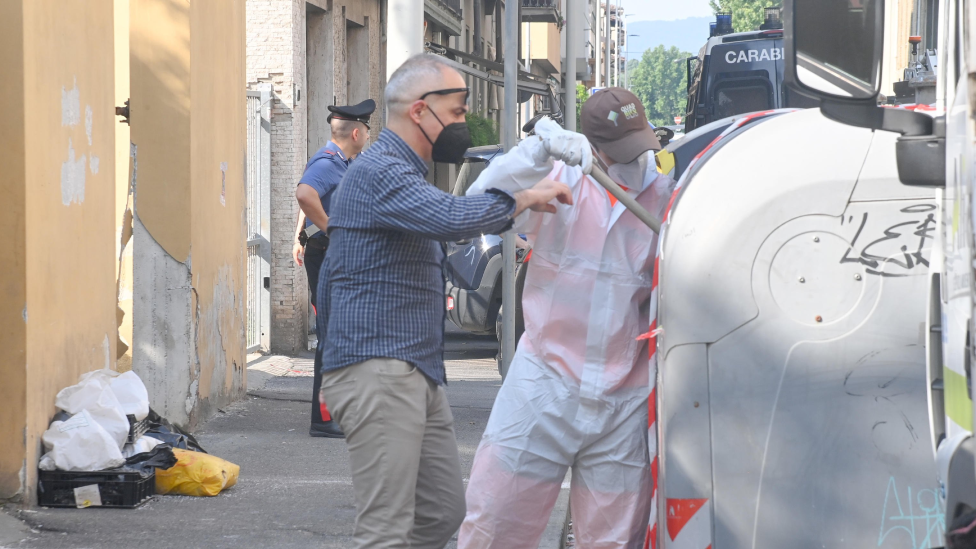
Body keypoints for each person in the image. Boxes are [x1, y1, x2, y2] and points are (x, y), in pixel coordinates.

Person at [316, 54, 586, 549]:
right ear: (421, 111)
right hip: (377, 366)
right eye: (458, 111)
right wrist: (522, 197)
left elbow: (449, 216)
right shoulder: (380, 170)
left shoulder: (404, 172)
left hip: (415, 369)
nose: (463, 122)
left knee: (441, 514)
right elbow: (451, 217)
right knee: (386, 530)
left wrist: (508, 208)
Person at [458, 89, 675, 548]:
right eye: (620, 153)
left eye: (640, 148)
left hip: (623, 399)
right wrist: (533, 152)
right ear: (593, 147)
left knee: (613, 540)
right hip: (543, 385)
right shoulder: (560, 181)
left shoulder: (664, 199)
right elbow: (475, 206)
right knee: (494, 524)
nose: (635, 162)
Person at [295, 98, 374, 438]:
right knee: (332, 337)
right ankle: (324, 419)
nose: (369, 136)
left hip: (337, 257)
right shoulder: (328, 162)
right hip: (328, 256)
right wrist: (332, 229)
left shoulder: (345, 162)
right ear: (356, 132)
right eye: (367, 130)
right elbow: (305, 193)